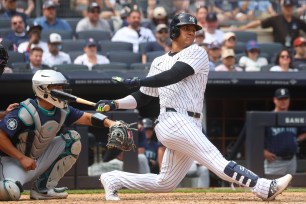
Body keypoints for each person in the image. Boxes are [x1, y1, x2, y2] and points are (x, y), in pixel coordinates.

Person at [95, 13, 292, 201]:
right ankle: (263, 187)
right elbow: (143, 96)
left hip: (191, 122)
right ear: (174, 32)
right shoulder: (158, 62)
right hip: (171, 120)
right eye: (186, 28)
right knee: (216, 160)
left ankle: (113, 179)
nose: (191, 32)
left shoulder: (197, 52)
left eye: (193, 29)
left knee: (165, 183)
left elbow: (174, 75)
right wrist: (115, 103)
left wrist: (139, 80)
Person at [0, 69, 122, 201]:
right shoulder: (24, 111)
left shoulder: (63, 109)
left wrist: (111, 123)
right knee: (10, 192)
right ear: (42, 89)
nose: (62, 90)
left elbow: (87, 118)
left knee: (72, 139)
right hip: (13, 162)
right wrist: (21, 158)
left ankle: (43, 189)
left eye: (62, 86)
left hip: (37, 160)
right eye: (57, 86)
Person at [264, 88, 306, 175]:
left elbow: (304, 132)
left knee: (290, 187)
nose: (283, 101)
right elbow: (254, 138)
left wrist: (296, 140)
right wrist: (263, 151)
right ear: (274, 100)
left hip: (291, 161)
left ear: (289, 100)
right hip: (275, 161)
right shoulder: (268, 117)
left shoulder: (294, 117)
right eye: (280, 99)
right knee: (271, 187)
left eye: (285, 99)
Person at [239, 0, 306, 48]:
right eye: (286, 7)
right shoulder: (275, 19)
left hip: (294, 48)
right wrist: (244, 27)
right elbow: (259, 23)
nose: (288, 9)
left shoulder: (297, 21)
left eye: (290, 7)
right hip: (280, 48)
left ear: (292, 8)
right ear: (282, 8)